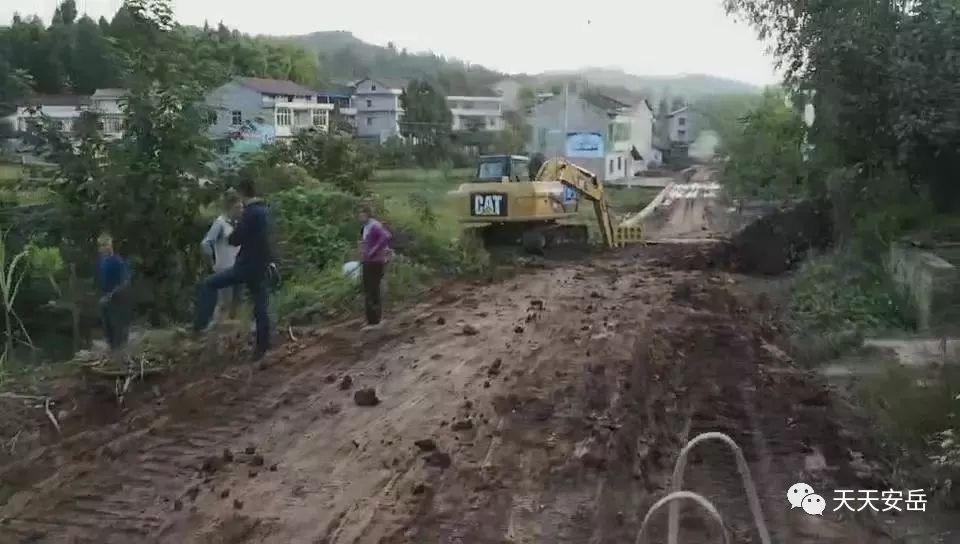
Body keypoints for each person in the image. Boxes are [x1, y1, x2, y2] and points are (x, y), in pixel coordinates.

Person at [193, 176, 274, 360]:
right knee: (260, 304)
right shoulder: (266, 210)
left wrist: (236, 231)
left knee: (209, 284)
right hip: (262, 264)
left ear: (241, 192)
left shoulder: (250, 213)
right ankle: (263, 346)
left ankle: (200, 325)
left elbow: (236, 238)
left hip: (245, 265)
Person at [201, 190, 243, 325]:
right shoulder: (220, 223)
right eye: (237, 207)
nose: (241, 210)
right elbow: (206, 243)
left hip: (239, 267)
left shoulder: (239, 223)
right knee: (224, 303)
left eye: (242, 207)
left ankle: (230, 333)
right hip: (224, 267)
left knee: (237, 303)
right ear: (229, 208)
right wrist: (212, 262)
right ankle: (214, 329)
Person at [357, 204, 392, 330]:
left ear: (367, 214)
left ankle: (373, 319)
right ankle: (373, 318)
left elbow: (386, 236)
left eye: (362, 213)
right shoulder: (365, 227)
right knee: (369, 289)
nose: (360, 216)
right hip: (368, 261)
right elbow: (364, 242)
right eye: (359, 214)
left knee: (372, 289)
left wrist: (373, 251)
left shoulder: (374, 225)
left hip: (375, 261)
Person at [96, 232, 131, 356]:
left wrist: (110, 296)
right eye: (100, 246)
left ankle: (120, 357)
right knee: (108, 331)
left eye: (104, 245)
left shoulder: (118, 261)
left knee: (119, 332)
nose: (102, 248)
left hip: (118, 301)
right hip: (106, 301)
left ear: (110, 245)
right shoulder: (101, 262)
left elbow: (124, 282)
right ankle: (112, 356)